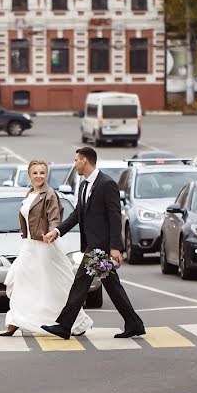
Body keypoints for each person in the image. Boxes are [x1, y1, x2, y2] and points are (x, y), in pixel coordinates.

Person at [42, 146, 146, 340]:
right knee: (110, 286)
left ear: (84, 161)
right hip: (93, 246)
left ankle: (64, 326)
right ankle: (134, 323)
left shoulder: (107, 184)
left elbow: (114, 217)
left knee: (80, 284)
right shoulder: (83, 185)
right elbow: (77, 215)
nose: (75, 165)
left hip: (101, 248)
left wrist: (116, 247)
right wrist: (57, 231)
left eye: (76, 161)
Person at [1, 160, 93, 337]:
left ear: (47, 174)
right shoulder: (30, 194)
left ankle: (78, 321)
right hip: (28, 245)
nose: (39, 176)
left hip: (43, 245)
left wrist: (53, 232)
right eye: (35, 173)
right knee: (20, 281)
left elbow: (54, 218)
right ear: (29, 175)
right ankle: (14, 321)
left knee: (53, 284)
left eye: (42, 173)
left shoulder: (50, 194)